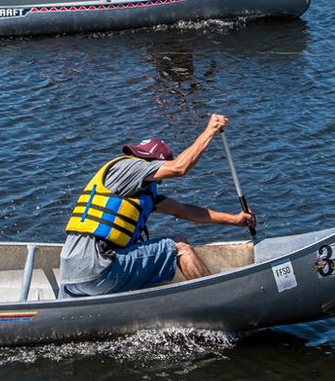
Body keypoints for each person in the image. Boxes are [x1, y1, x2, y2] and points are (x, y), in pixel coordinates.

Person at [59, 114, 257, 297]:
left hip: (71, 277)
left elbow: (183, 210)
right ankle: (216, 301)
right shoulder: (131, 167)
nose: (159, 182)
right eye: (159, 174)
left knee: (148, 253)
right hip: (99, 269)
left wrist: (236, 220)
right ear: (152, 162)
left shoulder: (132, 189)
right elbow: (180, 168)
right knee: (179, 246)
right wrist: (210, 131)